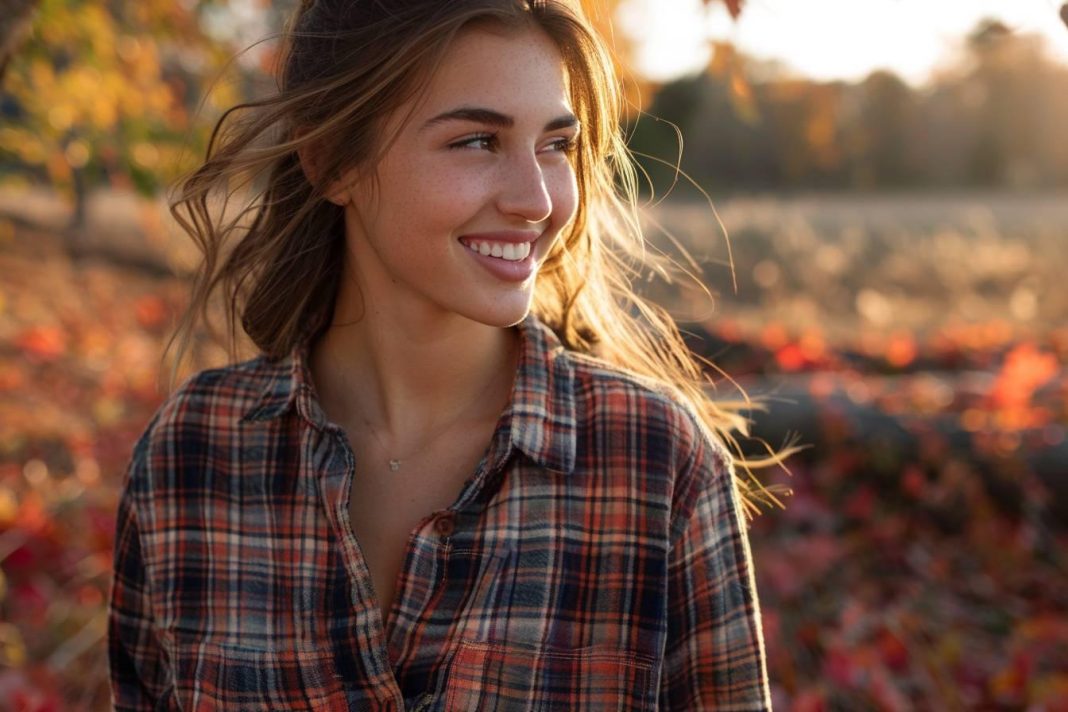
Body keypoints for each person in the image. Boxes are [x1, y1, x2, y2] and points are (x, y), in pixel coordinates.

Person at [108, 0, 779, 709]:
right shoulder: (191, 457)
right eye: (477, 142)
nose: (536, 200)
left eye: (556, 145)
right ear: (331, 160)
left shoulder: (654, 464)